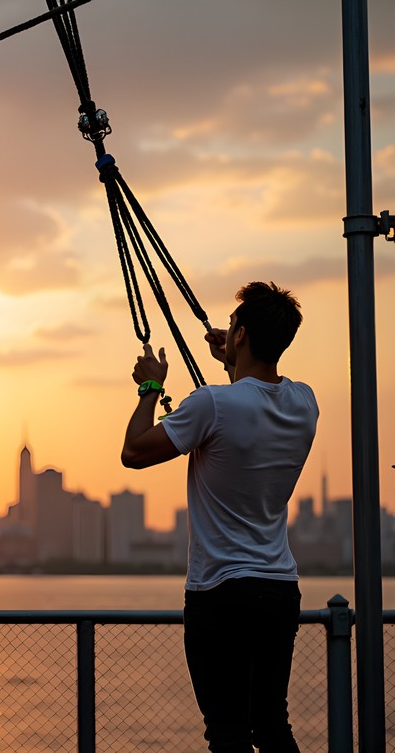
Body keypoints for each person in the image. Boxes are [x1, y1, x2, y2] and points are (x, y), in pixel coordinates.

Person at [120, 281, 318, 753]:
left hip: (220, 591)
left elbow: (133, 452)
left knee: (227, 732)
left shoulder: (212, 404)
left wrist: (151, 386)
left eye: (231, 327)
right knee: (272, 725)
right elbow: (250, 401)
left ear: (243, 335)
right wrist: (234, 358)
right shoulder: (304, 402)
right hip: (278, 588)